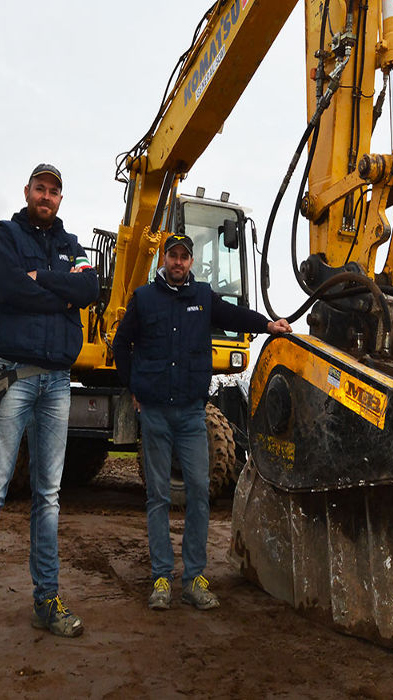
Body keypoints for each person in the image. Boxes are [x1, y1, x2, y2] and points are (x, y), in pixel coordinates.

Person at [0, 163, 99, 660]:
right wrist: (56, 292)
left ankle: (47, 600)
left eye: (55, 190)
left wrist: (46, 279)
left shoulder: (74, 246)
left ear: (61, 198)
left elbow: (88, 290)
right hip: (13, 376)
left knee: (50, 497)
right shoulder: (4, 235)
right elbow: (11, 288)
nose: (47, 195)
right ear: (27, 191)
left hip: (58, 382)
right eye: (41, 187)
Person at [112, 232, 292, 611]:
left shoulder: (203, 298)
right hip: (156, 413)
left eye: (184, 257)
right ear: (164, 258)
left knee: (198, 492)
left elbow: (235, 315)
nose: (178, 262)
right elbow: (121, 344)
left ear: (191, 261)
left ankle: (194, 578)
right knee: (158, 495)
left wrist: (268, 325)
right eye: (172, 256)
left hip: (193, 413)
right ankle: (162, 576)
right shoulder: (144, 299)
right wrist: (134, 386)